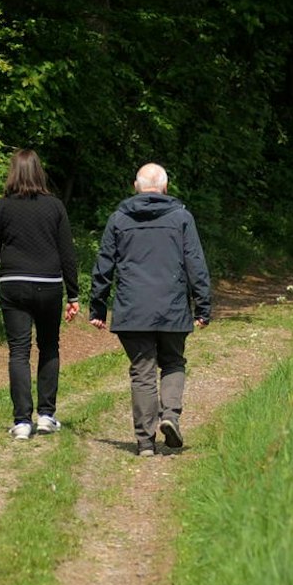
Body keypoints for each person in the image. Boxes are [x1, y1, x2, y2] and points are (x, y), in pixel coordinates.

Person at [90, 162, 212, 456]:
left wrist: (97, 307)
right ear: (165, 188)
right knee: (172, 362)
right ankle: (170, 415)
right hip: (171, 307)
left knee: (142, 372)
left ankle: (145, 442)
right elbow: (195, 263)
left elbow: (103, 266)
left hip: (133, 309)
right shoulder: (181, 218)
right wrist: (203, 306)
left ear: (136, 186)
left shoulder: (119, 219)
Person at [0, 149, 81, 440]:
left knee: (18, 352)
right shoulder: (55, 206)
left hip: (14, 284)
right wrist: (73, 294)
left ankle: (22, 421)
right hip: (49, 285)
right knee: (49, 347)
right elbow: (67, 253)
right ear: (39, 172)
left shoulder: (3, 208)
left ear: (13, 173)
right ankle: (46, 415)